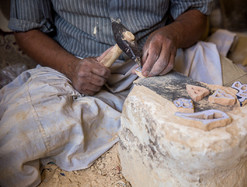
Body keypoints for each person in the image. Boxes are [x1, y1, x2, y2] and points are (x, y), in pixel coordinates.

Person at [0, 0, 212, 186]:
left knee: (215, 127)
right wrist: (71, 67)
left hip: (158, 62)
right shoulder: (70, 67)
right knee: (15, 140)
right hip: (69, 65)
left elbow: (197, 15)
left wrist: (171, 34)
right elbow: (27, 30)